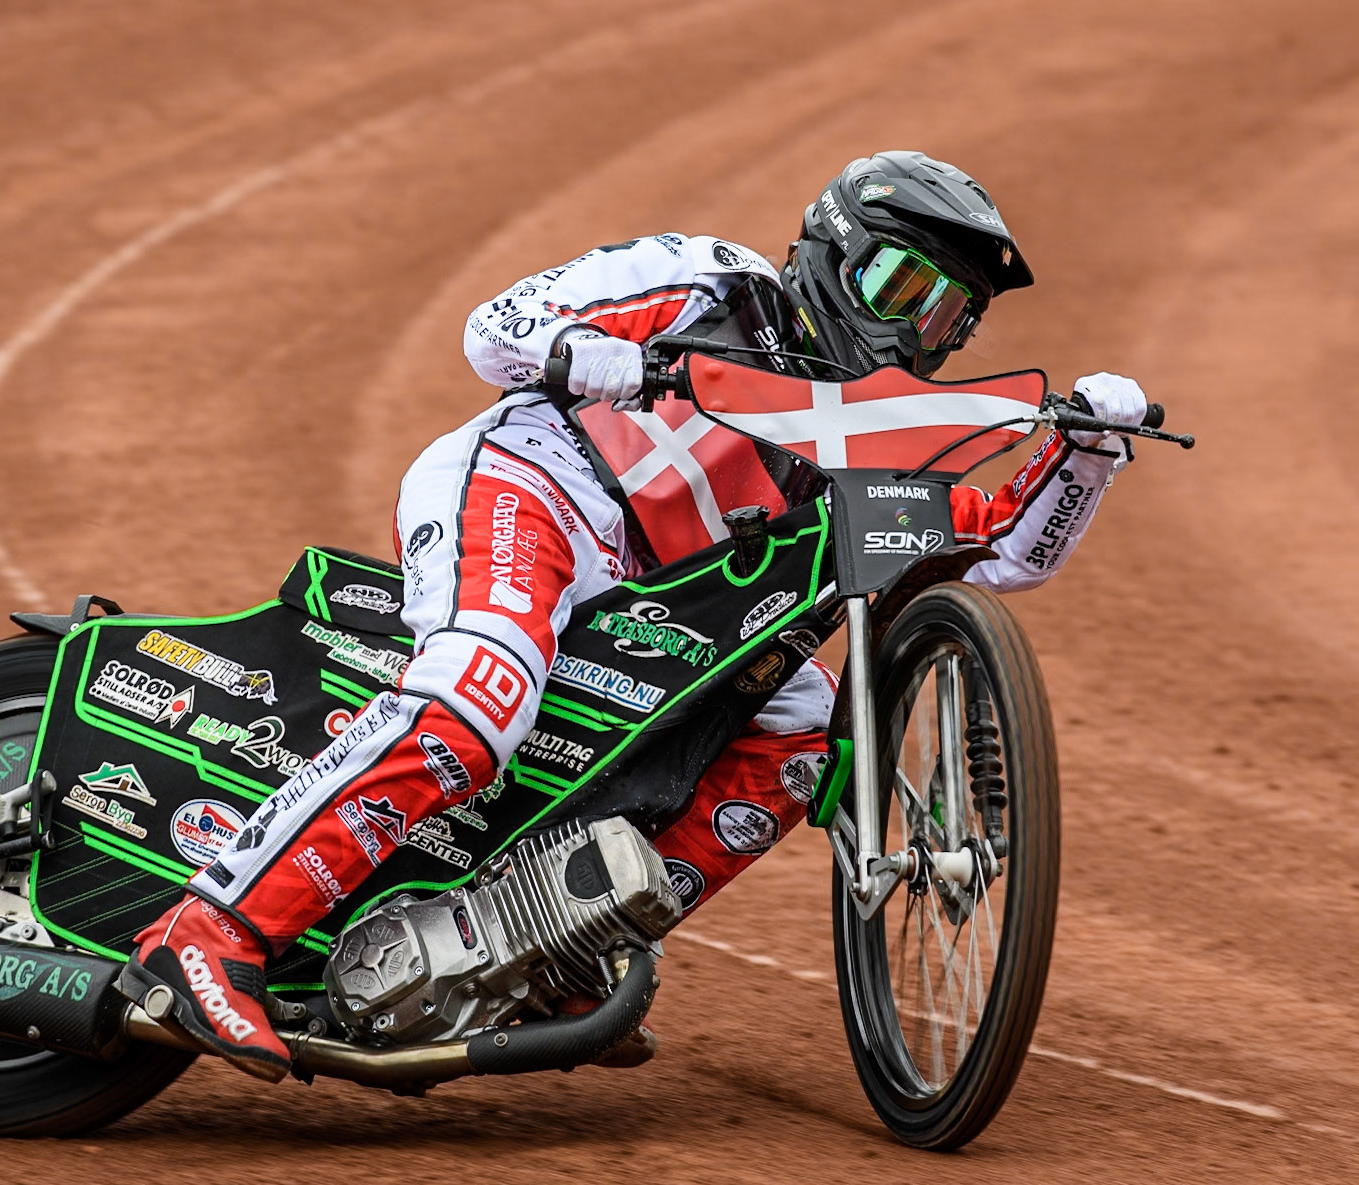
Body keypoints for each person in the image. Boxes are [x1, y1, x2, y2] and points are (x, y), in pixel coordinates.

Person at [117, 150, 1150, 1082]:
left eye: (949, 317)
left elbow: (1007, 551)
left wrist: (1089, 451)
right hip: (534, 487)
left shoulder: (877, 432)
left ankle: (554, 955)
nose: (919, 331)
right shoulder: (711, 280)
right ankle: (208, 930)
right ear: (837, 249)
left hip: (657, 605)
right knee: (478, 695)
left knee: (801, 729)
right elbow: (495, 328)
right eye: (903, 288)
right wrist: (595, 355)